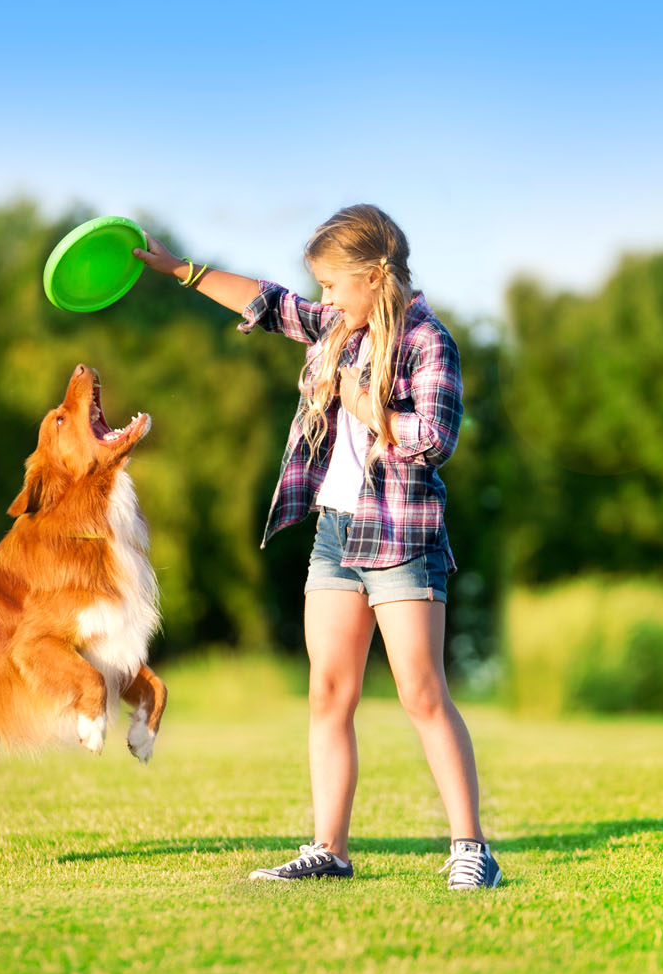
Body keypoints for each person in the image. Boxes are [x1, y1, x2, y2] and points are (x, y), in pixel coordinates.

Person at [133, 204, 500, 890]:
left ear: (373, 277)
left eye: (332, 285)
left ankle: (472, 847)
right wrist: (179, 270)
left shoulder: (428, 341)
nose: (322, 299)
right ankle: (329, 849)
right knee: (328, 694)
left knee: (422, 693)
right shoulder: (338, 325)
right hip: (335, 535)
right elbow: (268, 304)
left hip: (399, 538)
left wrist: (371, 412)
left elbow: (438, 439)